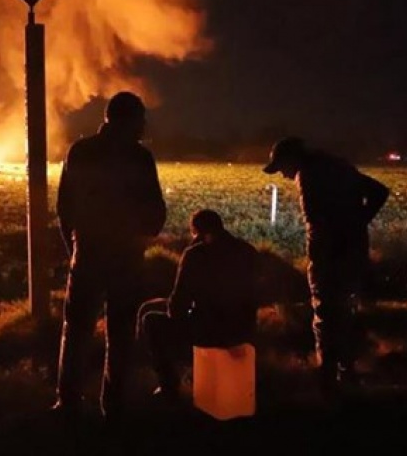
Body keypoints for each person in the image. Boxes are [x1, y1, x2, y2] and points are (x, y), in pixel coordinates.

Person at [52, 91, 167, 423]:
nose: (144, 126)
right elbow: (156, 210)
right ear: (128, 120)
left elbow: (65, 209)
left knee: (76, 331)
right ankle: (114, 406)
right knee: (121, 332)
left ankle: (68, 403)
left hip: (88, 253)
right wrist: (142, 240)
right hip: (126, 257)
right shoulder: (140, 158)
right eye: (140, 120)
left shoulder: (81, 151)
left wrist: (74, 249)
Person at [262, 136, 390, 398]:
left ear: (291, 159)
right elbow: (379, 191)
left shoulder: (308, 176)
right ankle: (347, 370)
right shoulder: (338, 167)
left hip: (330, 257)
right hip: (353, 251)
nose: (284, 175)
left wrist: (324, 250)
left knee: (325, 312)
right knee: (346, 310)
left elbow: (316, 223)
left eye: (282, 167)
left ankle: (327, 377)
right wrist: (359, 222)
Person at [138, 209, 259, 401]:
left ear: (197, 232)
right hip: (242, 329)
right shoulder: (248, 251)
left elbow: (177, 307)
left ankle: (168, 384)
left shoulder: (196, 255)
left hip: (208, 329)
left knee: (149, 318)